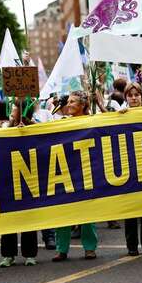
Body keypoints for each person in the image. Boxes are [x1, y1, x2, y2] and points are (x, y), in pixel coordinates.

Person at [53, 91, 98, 262]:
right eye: (68, 101)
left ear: (83, 105)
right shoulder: (61, 122)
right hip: (65, 171)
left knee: (87, 211)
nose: (69, 104)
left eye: (73, 102)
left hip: (86, 171)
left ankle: (90, 248)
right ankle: (61, 249)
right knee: (63, 210)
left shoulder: (91, 121)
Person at [0, 100, 39, 268]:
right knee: (9, 219)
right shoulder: (4, 128)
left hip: (29, 178)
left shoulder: (35, 127)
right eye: (14, 107)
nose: (13, 110)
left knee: (28, 217)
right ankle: (8, 255)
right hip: (9, 179)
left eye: (16, 107)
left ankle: (30, 254)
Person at [119, 83, 142, 255]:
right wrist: (119, 116)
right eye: (130, 95)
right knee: (131, 209)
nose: (134, 98)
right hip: (128, 169)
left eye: (137, 95)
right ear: (126, 97)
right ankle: (131, 245)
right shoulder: (120, 115)